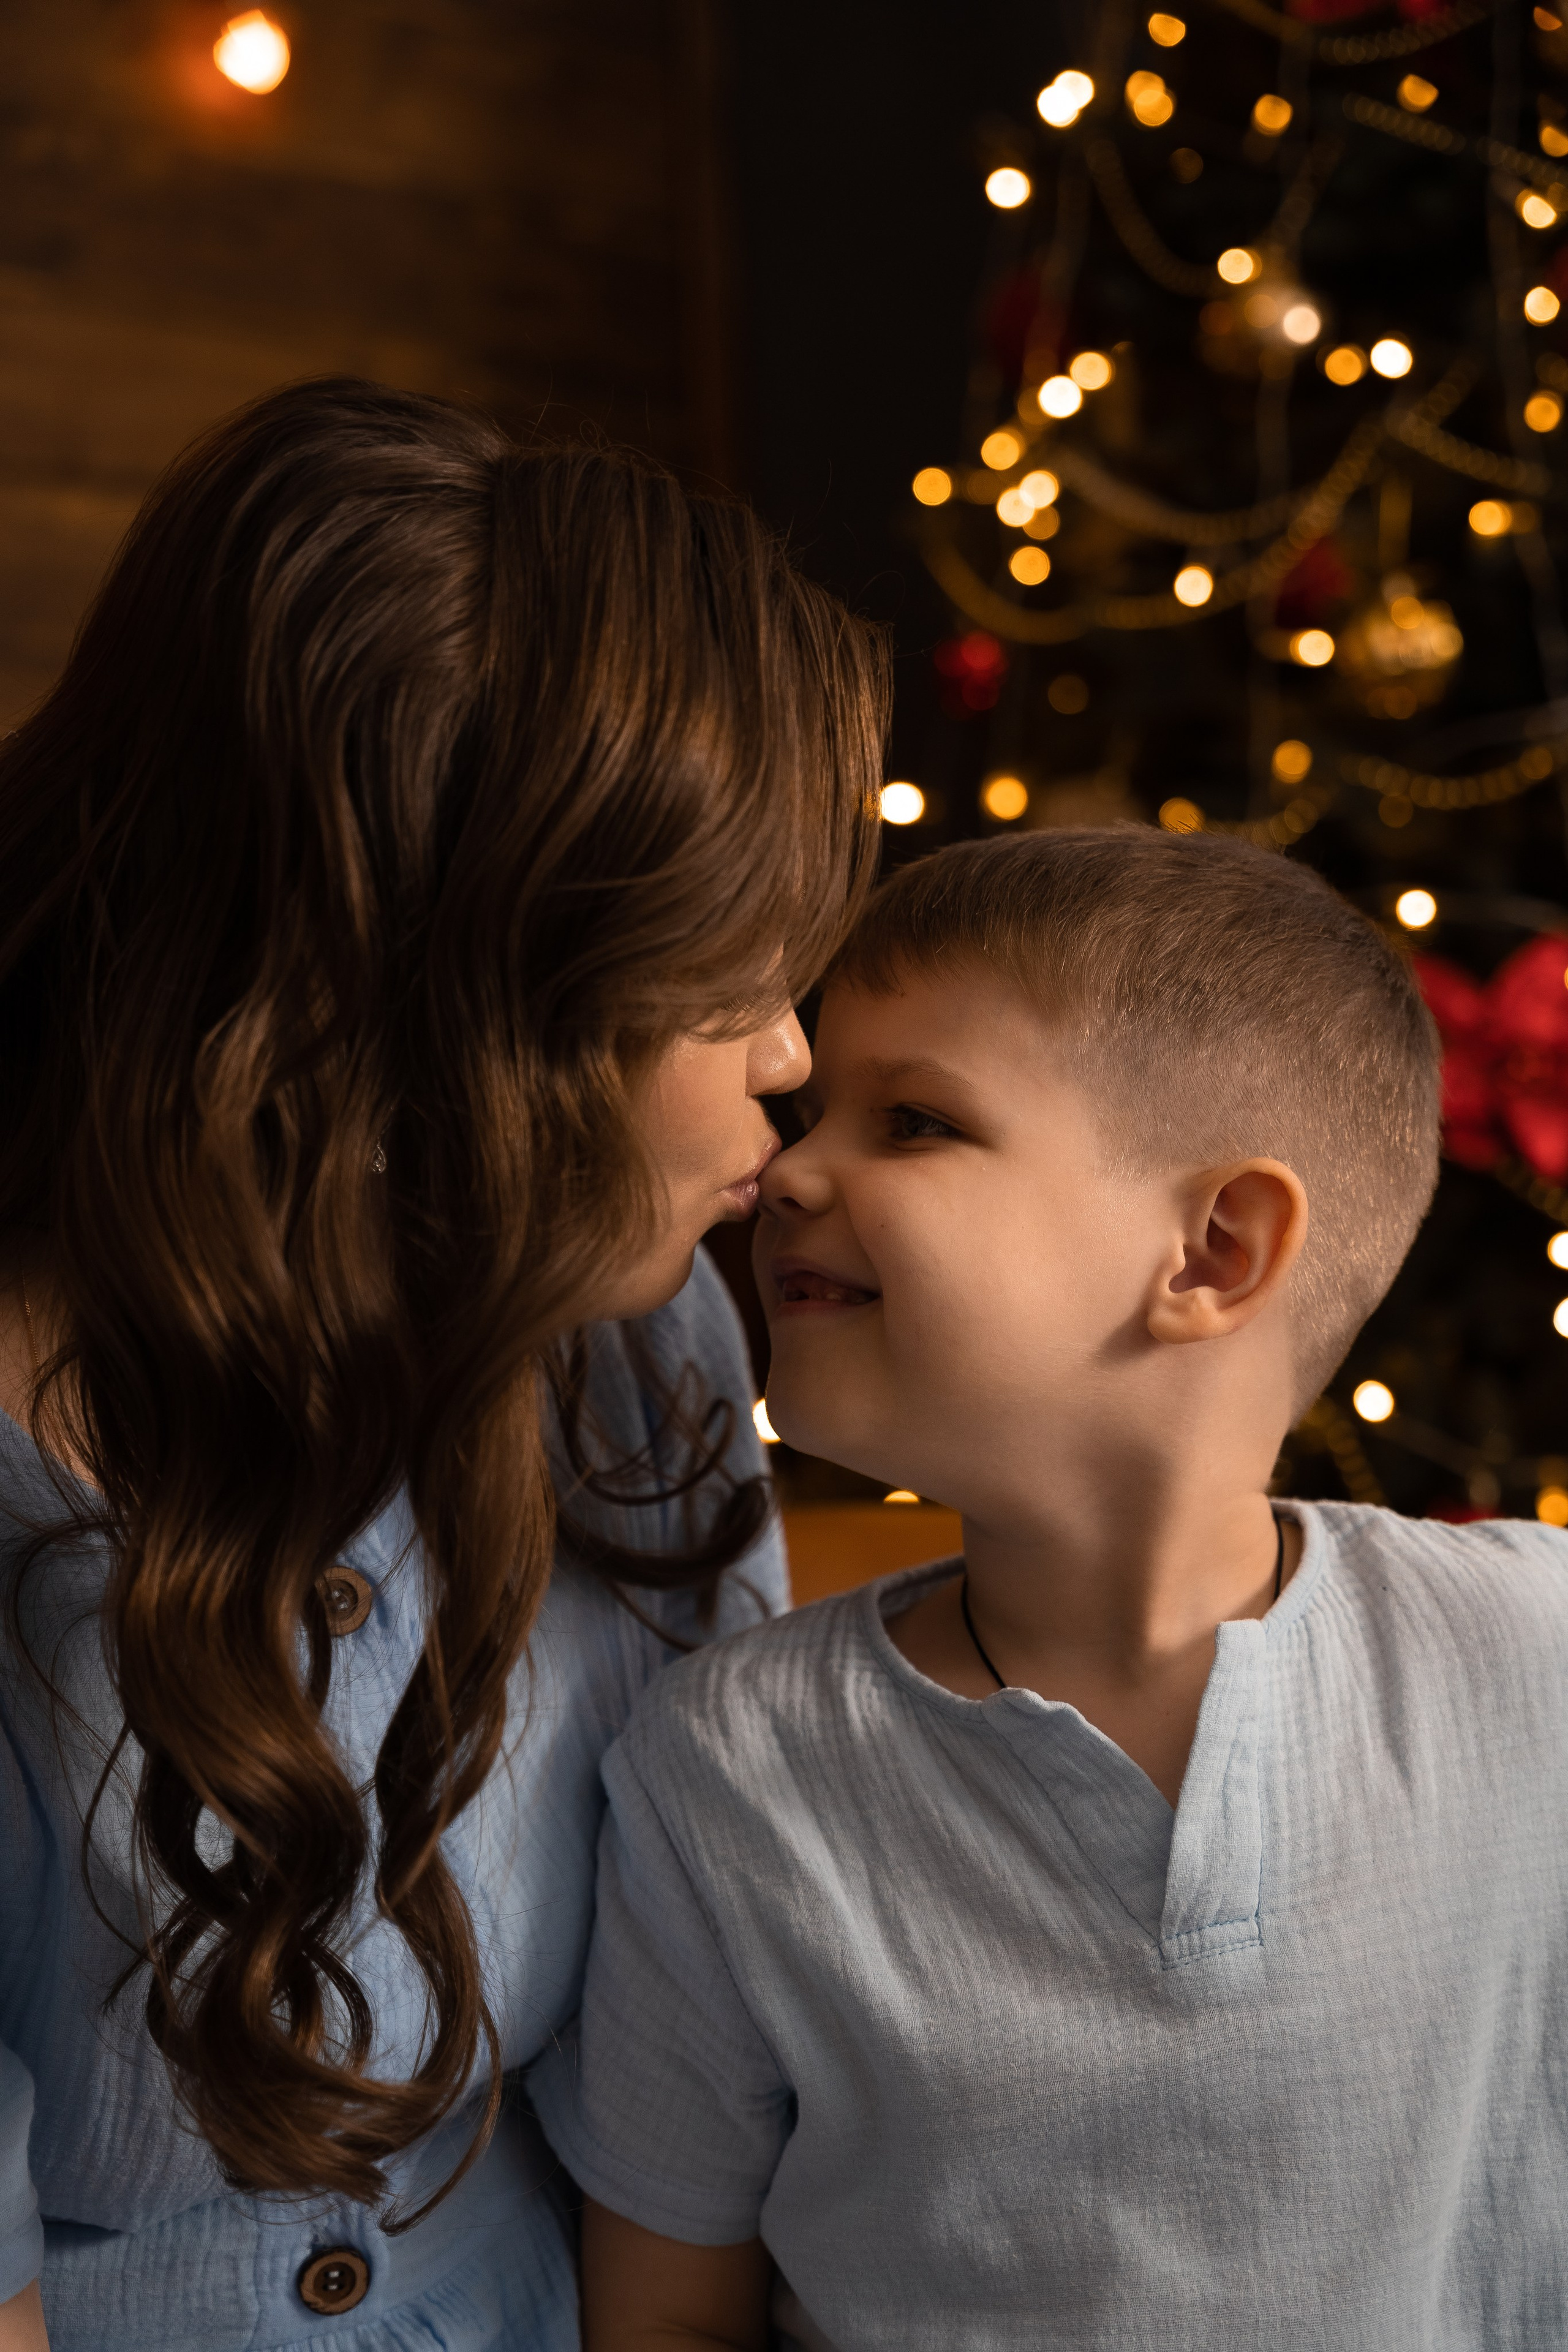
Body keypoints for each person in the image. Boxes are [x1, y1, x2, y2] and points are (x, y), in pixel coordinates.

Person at [0, 377, 887, 2351]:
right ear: (404, 1007)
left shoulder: (636, 1349)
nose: (794, 1057)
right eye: (707, 982)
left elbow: (698, 2094)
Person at [537, 828, 1568, 2351]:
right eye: (817, 1114)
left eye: (912, 1122)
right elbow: (667, 2320)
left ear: (1213, 1251)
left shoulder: (1529, 1651)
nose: (790, 1167)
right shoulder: (724, 1773)